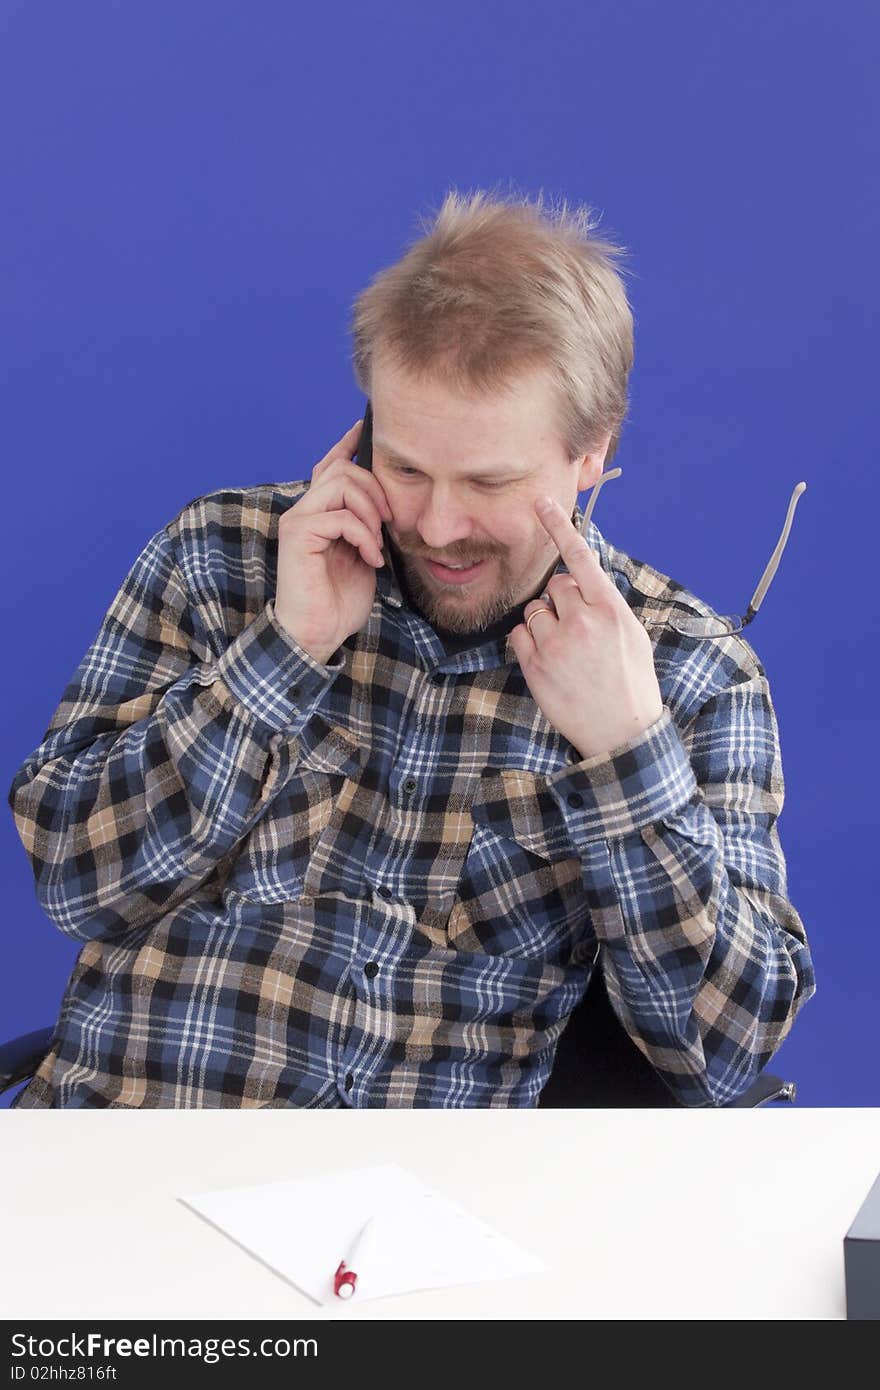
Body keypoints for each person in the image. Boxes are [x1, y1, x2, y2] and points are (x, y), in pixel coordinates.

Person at [7, 188, 815, 1108]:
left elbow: (725, 1051)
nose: (437, 525)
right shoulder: (224, 554)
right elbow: (74, 882)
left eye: (489, 480)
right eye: (405, 467)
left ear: (593, 452)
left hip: (427, 1225)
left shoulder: (690, 673)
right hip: (128, 1157)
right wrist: (284, 650)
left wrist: (631, 754)